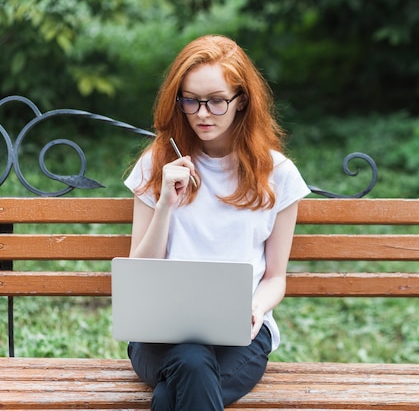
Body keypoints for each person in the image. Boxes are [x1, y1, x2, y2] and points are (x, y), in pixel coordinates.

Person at [123, 34, 311, 410]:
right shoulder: (158, 164)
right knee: (190, 363)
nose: (202, 113)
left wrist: (256, 308)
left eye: (216, 101)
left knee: (176, 388)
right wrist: (165, 204)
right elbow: (139, 270)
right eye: (190, 100)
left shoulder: (278, 174)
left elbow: (275, 278)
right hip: (158, 336)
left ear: (241, 100)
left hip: (241, 336)